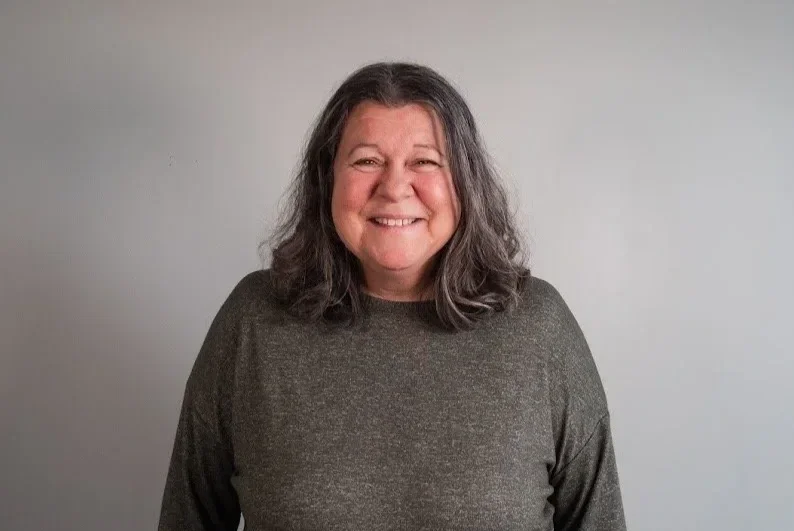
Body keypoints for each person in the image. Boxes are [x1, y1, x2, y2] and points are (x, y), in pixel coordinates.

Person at [158, 62, 626, 530]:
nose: (395, 187)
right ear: (328, 180)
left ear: (464, 181)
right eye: (366, 160)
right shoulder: (252, 322)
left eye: (425, 161)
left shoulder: (540, 329)